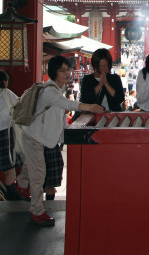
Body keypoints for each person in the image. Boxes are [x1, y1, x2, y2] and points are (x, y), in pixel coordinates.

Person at [13, 56, 103, 226]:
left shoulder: (57, 88)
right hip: (34, 137)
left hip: (36, 135)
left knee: (31, 166)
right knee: (39, 173)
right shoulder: (50, 91)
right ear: (53, 72)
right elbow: (67, 104)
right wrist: (89, 106)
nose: (67, 73)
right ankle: (37, 212)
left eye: (68, 69)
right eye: (62, 70)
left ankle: (22, 184)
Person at [0, 70, 26, 201]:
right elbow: (21, 106)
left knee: (8, 166)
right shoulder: (7, 94)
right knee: (8, 167)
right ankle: (12, 195)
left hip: (5, 131)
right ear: (4, 82)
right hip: (5, 132)